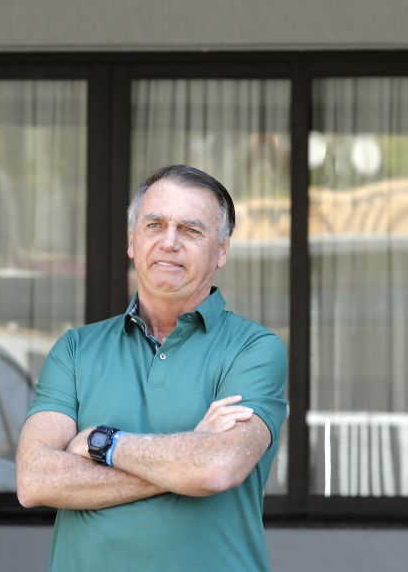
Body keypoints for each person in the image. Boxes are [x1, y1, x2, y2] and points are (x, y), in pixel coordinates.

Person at [16, 164, 288, 571]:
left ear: (222, 250)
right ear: (132, 241)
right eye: (155, 224)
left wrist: (100, 443)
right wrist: (186, 459)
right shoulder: (75, 350)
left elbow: (217, 468)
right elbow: (34, 481)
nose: (169, 242)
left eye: (192, 230)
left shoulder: (253, 349)